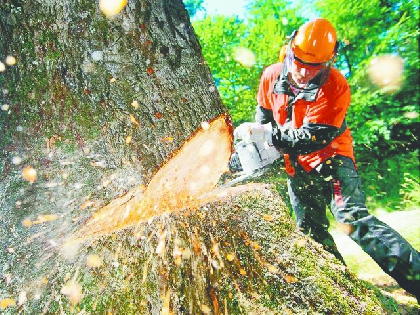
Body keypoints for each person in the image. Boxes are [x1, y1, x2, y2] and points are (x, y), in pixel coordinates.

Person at [234, 18, 420, 300]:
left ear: (328, 62)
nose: (303, 72)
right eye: (298, 62)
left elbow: (313, 138)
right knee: (310, 233)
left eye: (313, 68)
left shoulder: (335, 86)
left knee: (353, 219)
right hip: (295, 166)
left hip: (332, 159)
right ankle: (346, 296)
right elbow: (264, 116)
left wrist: (269, 135)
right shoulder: (271, 76)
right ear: (290, 49)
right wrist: (256, 141)